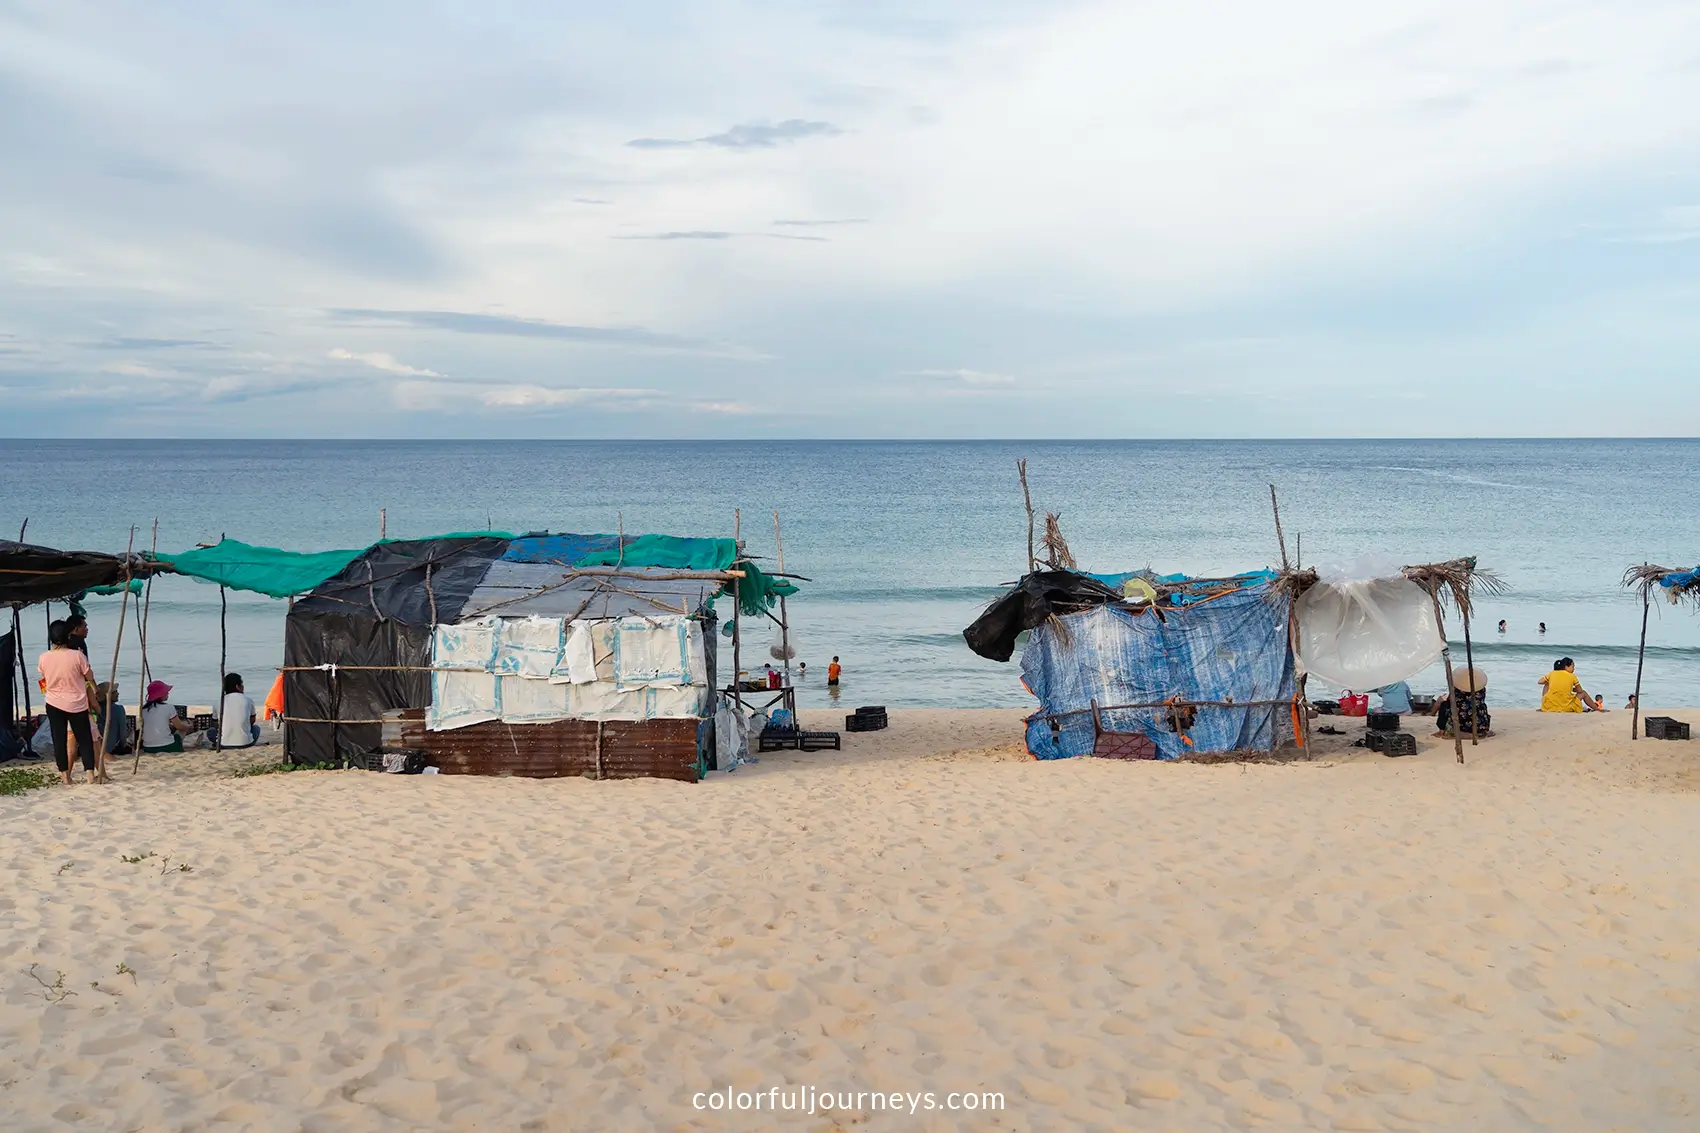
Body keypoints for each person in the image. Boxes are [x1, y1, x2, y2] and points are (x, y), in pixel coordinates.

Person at [37, 619, 98, 785]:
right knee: (84, 738)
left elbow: (44, 677)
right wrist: (95, 688)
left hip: (53, 702)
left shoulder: (44, 657)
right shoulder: (77, 655)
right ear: (67, 636)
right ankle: (90, 775)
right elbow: (89, 675)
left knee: (59, 739)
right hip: (76, 702)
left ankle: (65, 776)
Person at [1434, 667, 1492, 738]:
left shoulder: (1457, 689)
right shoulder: (1481, 689)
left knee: (1444, 704)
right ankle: (1478, 733)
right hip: (1480, 722)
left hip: (1462, 724)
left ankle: (1442, 731)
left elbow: (1449, 700)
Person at [140, 680, 195, 754]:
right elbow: (179, 726)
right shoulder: (169, 707)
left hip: (148, 747)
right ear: (160, 695)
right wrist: (189, 726)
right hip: (167, 746)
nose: (168, 693)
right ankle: (178, 747)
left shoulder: (143, 709)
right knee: (183, 726)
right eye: (166, 692)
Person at [211, 673, 260, 748]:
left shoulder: (219, 701)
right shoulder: (248, 700)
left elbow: (215, 723)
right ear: (237, 686)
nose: (243, 686)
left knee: (211, 732)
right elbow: (252, 719)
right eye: (242, 684)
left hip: (223, 743)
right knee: (256, 728)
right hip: (246, 743)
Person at [95, 682, 131, 757]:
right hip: (111, 748)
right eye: (115, 692)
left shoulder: (95, 709)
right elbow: (122, 732)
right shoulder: (118, 709)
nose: (118, 693)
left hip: (96, 746)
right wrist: (124, 745)